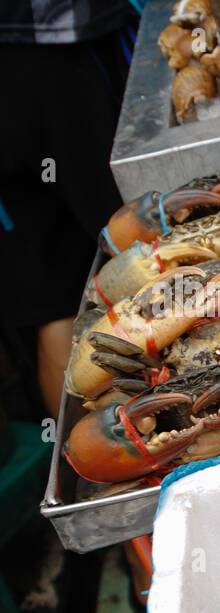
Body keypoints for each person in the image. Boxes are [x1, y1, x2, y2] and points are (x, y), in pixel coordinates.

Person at [0, 0, 138, 417]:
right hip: (58, 55)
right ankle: (101, 457)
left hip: (28, 54)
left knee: (55, 291)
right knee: (135, 245)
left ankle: (86, 464)